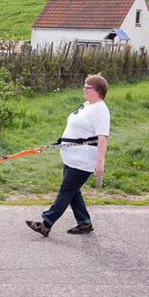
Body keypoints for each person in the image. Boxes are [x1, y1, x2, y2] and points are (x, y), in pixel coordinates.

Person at [26, 74, 110, 237]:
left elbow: (102, 138)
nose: (83, 90)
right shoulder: (88, 105)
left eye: (87, 87)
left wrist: (100, 163)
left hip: (83, 160)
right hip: (72, 157)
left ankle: (46, 224)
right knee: (73, 191)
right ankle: (84, 223)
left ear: (97, 90)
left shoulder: (100, 110)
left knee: (66, 191)